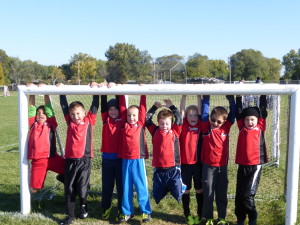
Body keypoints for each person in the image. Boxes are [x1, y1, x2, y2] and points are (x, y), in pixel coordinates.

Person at [58, 82, 99, 225]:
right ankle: (70, 216)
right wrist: (62, 91)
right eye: (72, 114)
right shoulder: (69, 122)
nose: (75, 116)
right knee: (69, 188)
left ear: (84, 113)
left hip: (85, 160)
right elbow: (64, 106)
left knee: (82, 188)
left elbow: (95, 105)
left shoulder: (89, 120)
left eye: (78, 113)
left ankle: (83, 205)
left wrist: (95, 90)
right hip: (70, 160)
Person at [201, 95, 236, 225]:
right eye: (213, 119)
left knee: (221, 194)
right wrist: (206, 98)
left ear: (224, 122)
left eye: (219, 122)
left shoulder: (225, 128)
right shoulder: (206, 128)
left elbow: (233, 115)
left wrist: (231, 100)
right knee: (209, 193)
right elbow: (204, 113)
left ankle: (221, 218)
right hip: (208, 167)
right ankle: (209, 218)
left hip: (222, 167)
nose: (215, 123)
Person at [118, 94, 152, 223]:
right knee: (126, 187)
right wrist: (122, 93)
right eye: (129, 115)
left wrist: (142, 93)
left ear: (138, 117)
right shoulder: (123, 124)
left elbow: (143, 108)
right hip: (126, 160)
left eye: (134, 115)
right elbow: (122, 108)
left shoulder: (141, 124)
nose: (131, 118)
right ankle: (127, 212)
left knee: (141, 186)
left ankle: (145, 212)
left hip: (138, 160)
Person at [235, 95, 268, 225]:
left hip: (255, 166)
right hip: (242, 165)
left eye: (252, 119)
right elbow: (238, 112)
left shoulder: (260, 127)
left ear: (257, 120)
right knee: (239, 195)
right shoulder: (242, 128)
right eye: (247, 119)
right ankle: (241, 218)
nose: (250, 122)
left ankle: (252, 216)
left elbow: (263, 110)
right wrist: (238, 98)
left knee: (247, 195)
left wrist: (263, 95)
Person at [146, 99, 186, 207]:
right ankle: (164, 190)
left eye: (167, 123)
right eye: (161, 123)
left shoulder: (175, 131)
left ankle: (180, 187)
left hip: (173, 168)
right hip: (159, 168)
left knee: (177, 193)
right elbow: (147, 119)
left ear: (171, 123)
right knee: (157, 195)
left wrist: (172, 106)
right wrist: (154, 107)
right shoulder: (155, 131)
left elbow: (179, 118)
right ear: (158, 123)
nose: (164, 126)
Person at [27, 83, 65, 194]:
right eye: (38, 113)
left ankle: (65, 181)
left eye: (43, 113)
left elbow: (49, 109)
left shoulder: (51, 123)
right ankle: (30, 204)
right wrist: (31, 92)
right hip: (38, 160)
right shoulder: (33, 124)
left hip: (52, 158)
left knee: (70, 170)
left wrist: (46, 91)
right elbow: (31, 109)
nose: (41, 115)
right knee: (34, 188)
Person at [179, 95, 208, 225]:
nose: (193, 118)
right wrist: (184, 96)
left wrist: (198, 96)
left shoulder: (200, 126)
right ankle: (187, 214)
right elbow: (181, 112)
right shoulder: (184, 125)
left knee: (199, 190)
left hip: (198, 164)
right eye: (190, 115)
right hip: (185, 164)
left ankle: (200, 214)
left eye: (195, 115)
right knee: (185, 190)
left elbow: (201, 112)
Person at [99, 82, 126, 220]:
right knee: (107, 186)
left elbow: (122, 104)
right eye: (110, 109)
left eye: (115, 109)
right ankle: (106, 207)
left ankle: (122, 210)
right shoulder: (105, 120)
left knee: (121, 187)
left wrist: (117, 88)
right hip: (107, 160)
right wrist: (104, 89)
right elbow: (103, 103)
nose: (113, 111)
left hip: (121, 160)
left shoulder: (122, 119)